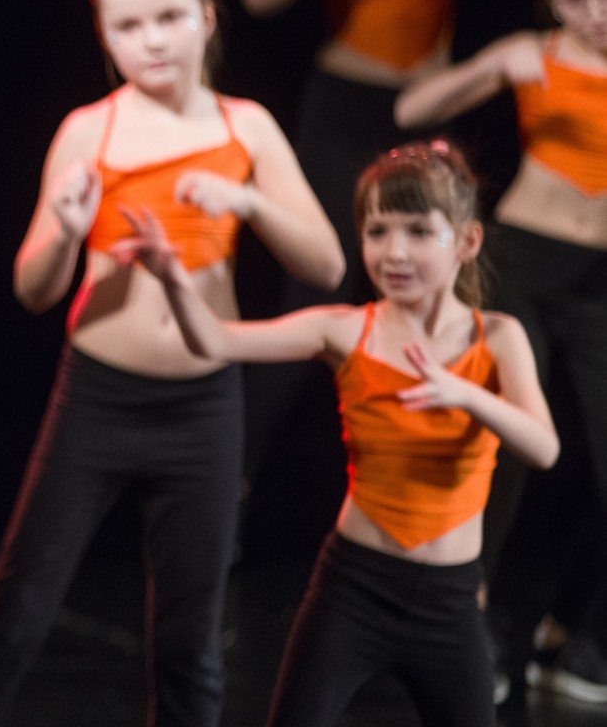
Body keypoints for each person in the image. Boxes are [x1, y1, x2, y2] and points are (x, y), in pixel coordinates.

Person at [0, 0, 344, 727]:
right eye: (128, 25)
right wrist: (65, 231)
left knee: (190, 637)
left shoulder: (246, 127)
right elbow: (34, 289)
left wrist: (249, 202)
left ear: (207, 17)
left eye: (168, 18)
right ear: (104, 35)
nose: (151, 40)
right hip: (98, 399)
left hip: (204, 405)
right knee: (17, 605)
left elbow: (326, 266)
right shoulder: (90, 130)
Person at [236, 0, 589, 535]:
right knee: (323, 289)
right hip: (343, 108)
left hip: (427, 108)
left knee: (444, 290)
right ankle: (236, 481)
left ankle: (440, 483)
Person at [117, 140, 557, 727]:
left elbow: (543, 447)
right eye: (377, 232)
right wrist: (172, 277)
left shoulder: (498, 338)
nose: (394, 251)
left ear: (467, 242)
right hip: (354, 590)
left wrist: (468, 396)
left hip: (449, 602)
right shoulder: (345, 331)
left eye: (418, 232)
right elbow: (216, 341)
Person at [396, 0, 607, 701]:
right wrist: (495, 68)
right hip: (524, 263)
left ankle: (574, 637)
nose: (596, 13)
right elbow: (413, 111)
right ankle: (466, 629)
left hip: (601, 283)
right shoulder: (536, 53)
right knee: (503, 446)